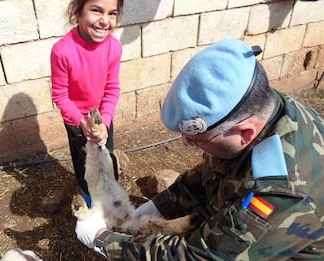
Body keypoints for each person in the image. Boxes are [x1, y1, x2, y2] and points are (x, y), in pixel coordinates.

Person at [74, 38, 324, 260]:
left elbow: (197, 255)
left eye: (197, 140)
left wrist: (103, 240)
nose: (187, 144)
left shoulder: (277, 195)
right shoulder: (260, 105)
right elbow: (213, 171)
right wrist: (160, 205)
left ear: (245, 133)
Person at [50, 0, 124, 207]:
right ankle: (91, 204)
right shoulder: (62, 51)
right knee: (85, 164)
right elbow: (60, 96)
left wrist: (104, 124)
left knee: (106, 158)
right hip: (76, 119)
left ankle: (112, 200)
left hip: (99, 115)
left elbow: (111, 89)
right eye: (96, 10)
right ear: (78, 12)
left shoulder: (113, 47)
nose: (104, 20)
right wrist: (81, 123)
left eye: (112, 14)